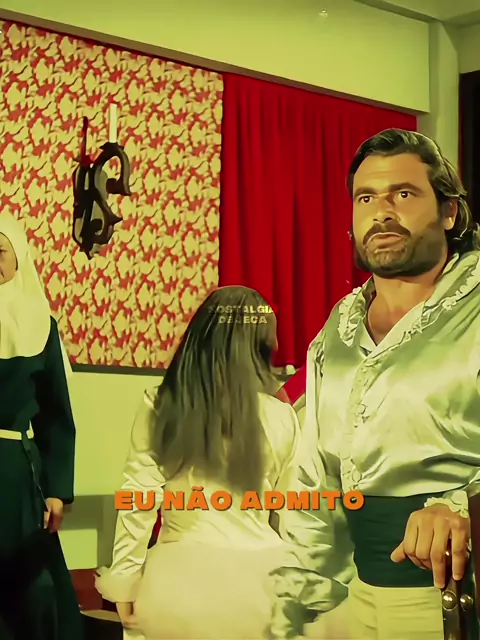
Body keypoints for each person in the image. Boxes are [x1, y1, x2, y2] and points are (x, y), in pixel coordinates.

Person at [269, 129, 479, 640]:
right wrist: (298, 606)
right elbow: (315, 477)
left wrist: (462, 506)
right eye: (366, 198)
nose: (382, 212)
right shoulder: (339, 328)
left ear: (449, 212)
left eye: (403, 194)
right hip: (357, 601)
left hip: (458, 598)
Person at [96, 286, 301, 640]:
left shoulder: (161, 405)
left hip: (181, 579)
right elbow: (293, 513)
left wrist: (125, 581)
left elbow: (139, 499)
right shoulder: (282, 417)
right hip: (262, 577)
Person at [0, 212, 82, 639]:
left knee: (29, 593)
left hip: (15, 475)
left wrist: (56, 489)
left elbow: (56, 416)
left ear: (19, 256)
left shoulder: (40, 325)